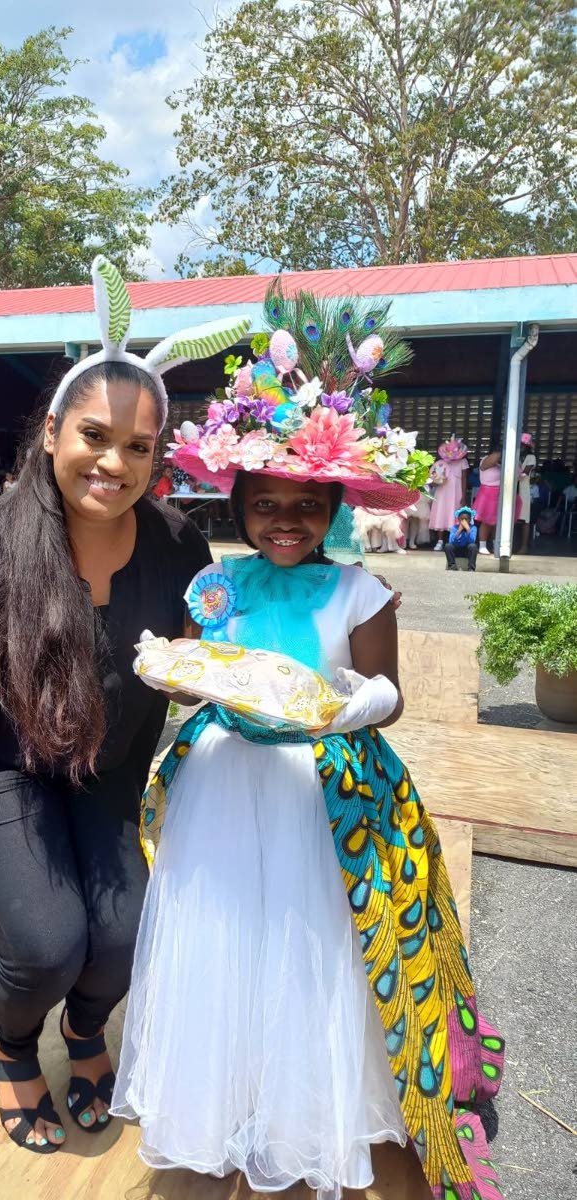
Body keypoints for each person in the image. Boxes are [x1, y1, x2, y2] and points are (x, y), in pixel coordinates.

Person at [110, 299, 503, 1200]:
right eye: (264, 505)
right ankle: (226, 1095)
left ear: (330, 508)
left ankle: (304, 1105)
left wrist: (348, 702)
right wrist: (173, 675)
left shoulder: (360, 591)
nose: (283, 520)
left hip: (319, 792)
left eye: (302, 505)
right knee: (226, 934)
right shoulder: (215, 583)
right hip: (224, 782)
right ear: (240, 507)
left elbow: (390, 696)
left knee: (310, 943)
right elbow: (192, 665)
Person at [0, 255, 249, 1155]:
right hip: (3, 769)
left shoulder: (177, 541)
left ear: (159, 454)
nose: (114, 463)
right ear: (50, 433)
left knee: (120, 938)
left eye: (139, 446)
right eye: (94, 436)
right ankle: (11, 1046)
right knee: (46, 939)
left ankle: (84, 1035)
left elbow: (201, 639)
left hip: (107, 773)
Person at [472, 442, 520, 555]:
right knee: (487, 521)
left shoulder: (501, 464)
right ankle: (482, 545)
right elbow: (490, 462)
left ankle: (496, 544)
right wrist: (500, 452)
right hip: (488, 493)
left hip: (501, 493)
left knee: (497, 521)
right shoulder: (485, 460)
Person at [429, 437, 469, 549]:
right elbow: (432, 480)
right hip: (442, 492)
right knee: (441, 513)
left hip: (456, 492)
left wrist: (464, 496)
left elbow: (464, 479)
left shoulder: (463, 462)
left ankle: (454, 541)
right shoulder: (439, 463)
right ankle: (440, 541)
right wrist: (436, 479)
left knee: (455, 514)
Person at [515, 434, 537, 554]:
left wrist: (515, 471)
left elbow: (525, 474)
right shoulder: (517, 456)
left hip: (524, 491)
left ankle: (524, 546)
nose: (521, 447)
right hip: (514, 490)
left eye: (523, 445)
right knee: (513, 518)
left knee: (525, 520)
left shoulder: (531, 457)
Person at [444, 505, 479, 571]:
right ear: (458, 519)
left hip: (466, 551)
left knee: (473, 546)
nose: (464, 521)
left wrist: (468, 530)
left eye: (466, 519)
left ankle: (471, 568)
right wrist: (459, 531)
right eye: (462, 519)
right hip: (457, 550)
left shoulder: (473, 528)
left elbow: (472, 541)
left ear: (470, 519)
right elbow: (451, 541)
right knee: (448, 546)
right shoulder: (454, 527)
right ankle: (452, 566)